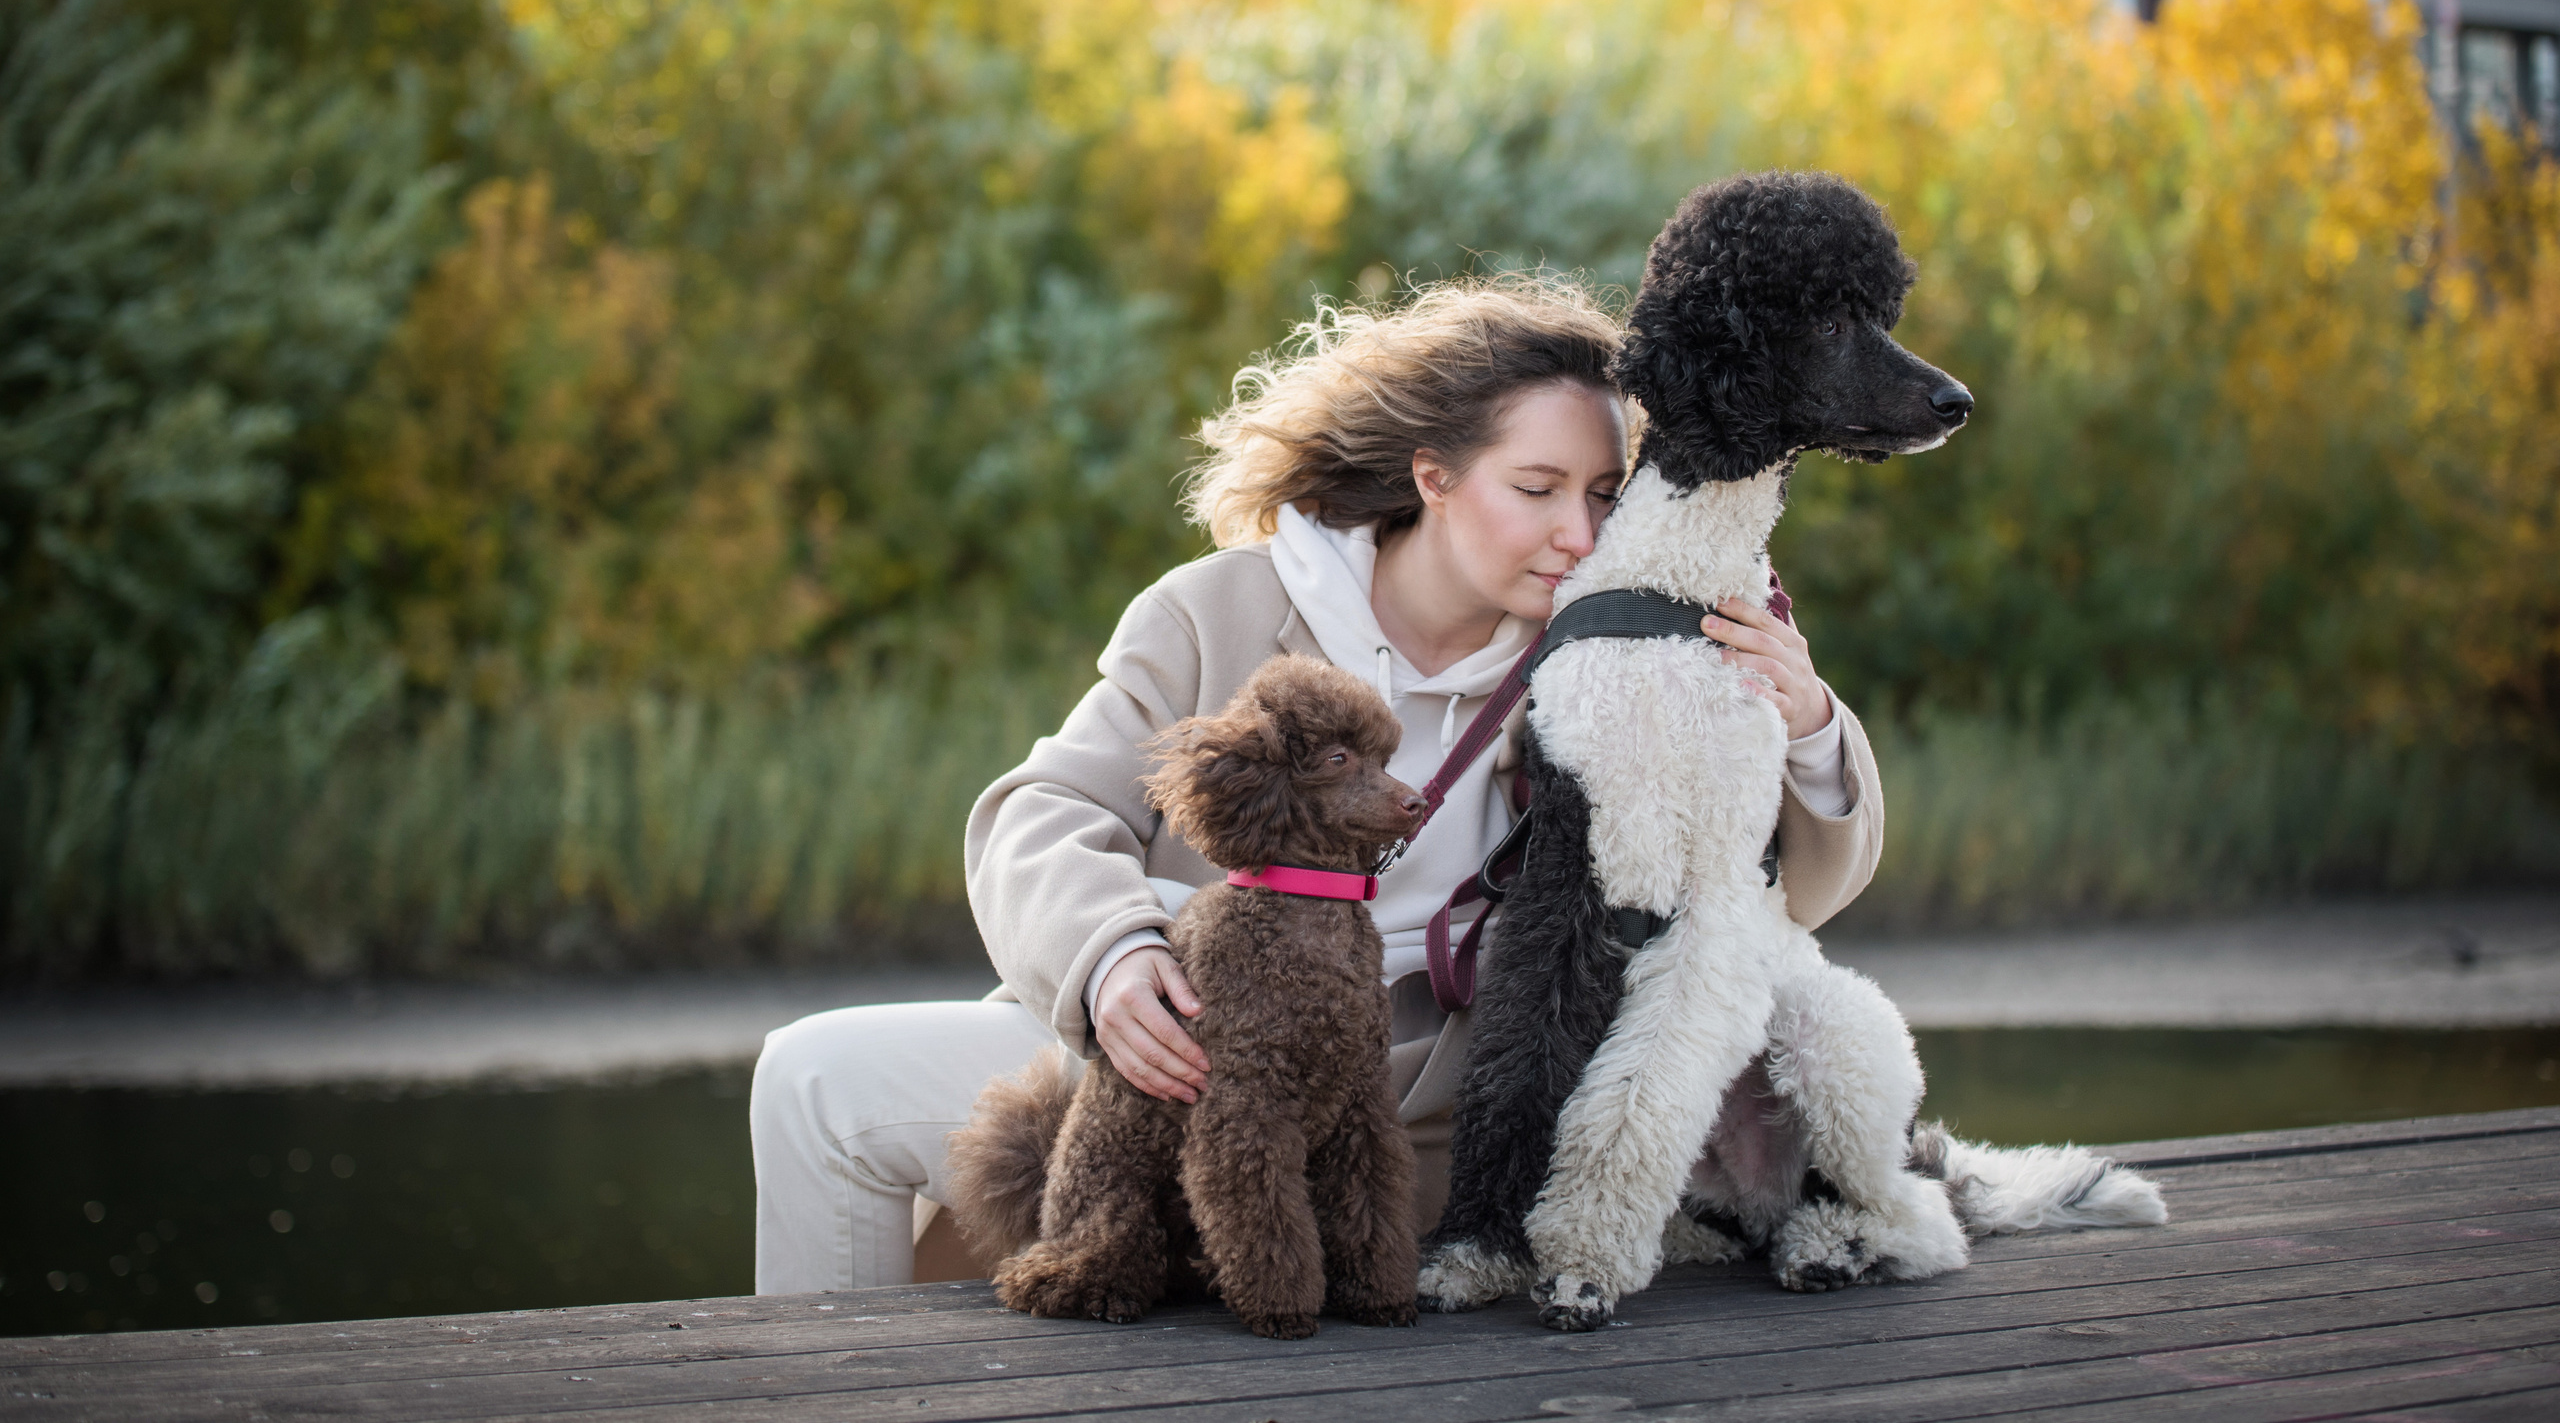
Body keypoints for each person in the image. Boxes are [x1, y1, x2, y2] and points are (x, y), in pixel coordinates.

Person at [749, 281, 1886, 1295]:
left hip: (1414, 1135)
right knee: (814, 1079)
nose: (1579, 534)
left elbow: (1782, 898)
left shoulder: (1617, 660)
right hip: (1170, 1062)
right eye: (1537, 487)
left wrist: (1806, 725)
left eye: (1602, 493)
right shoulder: (1214, 608)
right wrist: (1111, 956)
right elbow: (1041, 812)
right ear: (1433, 476)